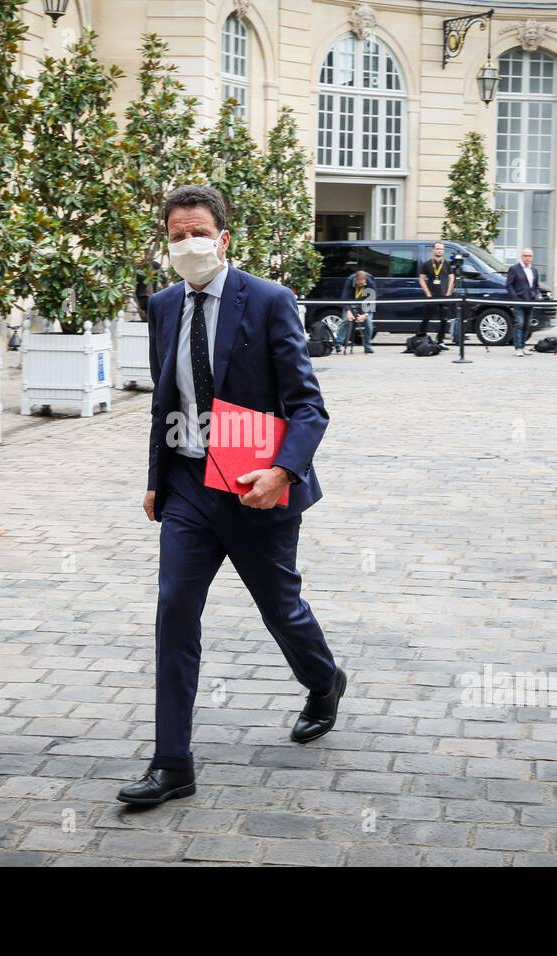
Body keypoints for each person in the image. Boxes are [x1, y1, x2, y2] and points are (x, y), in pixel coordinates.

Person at [122, 184, 346, 807]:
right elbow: (166, 400)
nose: (186, 244)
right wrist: (155, 479)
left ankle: (324, 681)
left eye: (196, 233)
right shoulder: (164, 304)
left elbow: (308, 407)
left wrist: (282, 472)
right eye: (175, 236)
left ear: (222, 238)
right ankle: (173, 764)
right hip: (190, 487)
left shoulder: (269, 301)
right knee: (173, 611)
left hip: (253, 486)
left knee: (281, 608)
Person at [505, 247, 543, 356]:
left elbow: (536, 286)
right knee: (519, 323)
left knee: (527, 324)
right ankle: (517, 347)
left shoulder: (534, 270)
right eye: (525, 256)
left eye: (529, 256)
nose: (527, 258)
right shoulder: (514, 268)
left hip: (530, 301)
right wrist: (515, 297)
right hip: (519, 301)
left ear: (532, 257)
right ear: (522, 257)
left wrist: (536, 296)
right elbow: (509, 284)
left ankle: (522, 345)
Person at [418, 240, 454, 348]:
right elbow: (421, 279)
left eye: (441, 249)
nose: (440, 251)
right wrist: (428, 293)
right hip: (432, 295)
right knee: (426, 317)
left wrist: (448, 292)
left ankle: (440, 340)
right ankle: (421, 337)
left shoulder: (447, 264)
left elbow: (452, 278)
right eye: (438, 248)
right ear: (433, 250)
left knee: (444, 319)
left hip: (444, 295)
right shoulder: (427, 264)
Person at [336, 270, 376, 354]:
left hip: (365, 304)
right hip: (352, 303)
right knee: (346, 320)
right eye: (359, 284)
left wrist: (365, 314)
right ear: (356, 280)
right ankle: (338, 344)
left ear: (366, 280)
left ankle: (367, 346)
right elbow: (345, 298)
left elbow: (372, 301)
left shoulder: (370, 283)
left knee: (368, 323)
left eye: (363, 284)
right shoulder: (350, 281)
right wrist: (348, 311)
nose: (361, 285)